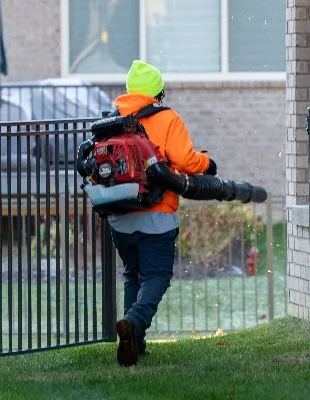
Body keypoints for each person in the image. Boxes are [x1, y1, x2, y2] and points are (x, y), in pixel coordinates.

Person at [108, 60, 217, 366]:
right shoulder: (167, 118)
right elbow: (185, 161)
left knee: (133, 274)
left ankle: (134, 345)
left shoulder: (114, 118)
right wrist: (207, 164)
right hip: (156, 212)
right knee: (156, 275)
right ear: (158, 93)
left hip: (120, 215)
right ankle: (134, 322)